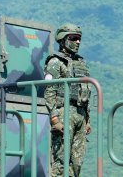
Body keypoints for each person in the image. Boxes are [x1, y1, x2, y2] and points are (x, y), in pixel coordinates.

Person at [44, 23, 92, 177]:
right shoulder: (55, 62)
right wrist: (54, 118)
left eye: (79, 39)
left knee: (77, 161)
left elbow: (86, 91)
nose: (78, 42)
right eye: (74, 38)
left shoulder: (80, 63)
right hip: (64, 113)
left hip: (80, 114)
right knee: (61, 160)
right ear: (62, 39)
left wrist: (87, 119)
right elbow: (49, 91)